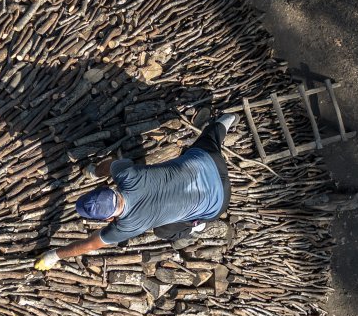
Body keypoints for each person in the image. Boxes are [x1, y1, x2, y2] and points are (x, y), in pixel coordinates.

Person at [34, 113, 237, 271]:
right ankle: (225, 123)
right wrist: (95, 172)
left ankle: (195, 226)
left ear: (107, 220)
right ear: (107, 188)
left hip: (218, 202)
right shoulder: (127, 175)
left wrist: (53, 256)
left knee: (163, 231)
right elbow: (111, 164)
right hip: (208, 160)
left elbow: (90, 244)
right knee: (209, 137)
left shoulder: (127, 226)